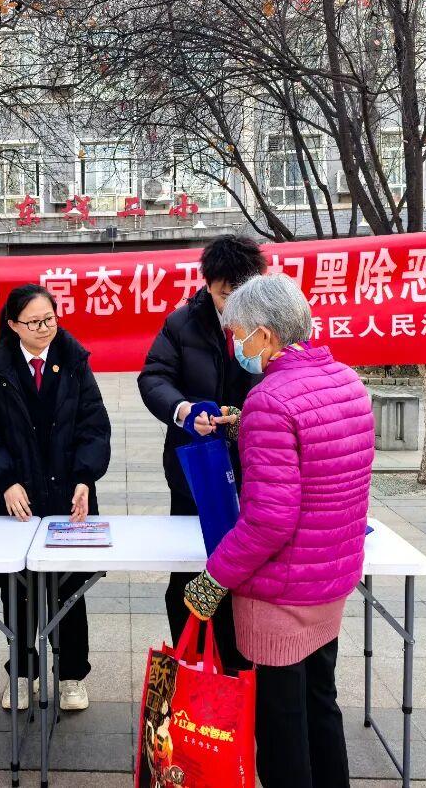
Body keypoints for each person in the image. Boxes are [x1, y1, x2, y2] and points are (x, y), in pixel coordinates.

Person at [183, 274, 375, 788]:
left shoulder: (270, 399)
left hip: (280, 593)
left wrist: (213, 579)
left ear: (264, 335)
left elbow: (269, 520)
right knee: (321, 702)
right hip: (329, 581)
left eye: (238, 334)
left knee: (280, 724)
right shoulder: (346, 381)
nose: (236, 346)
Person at [0, 284, 111, 711]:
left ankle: (71, 676)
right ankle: (22, 672)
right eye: (33, 322)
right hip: (18, 503)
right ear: (13, 325)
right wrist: (5, 481)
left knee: (70, 592)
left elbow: (94, 426)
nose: (44, 327)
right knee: (19, 592)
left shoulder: (75, 363)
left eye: (49, 319)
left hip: (69, 498)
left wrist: (85, 479)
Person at [137, 234, 266, 671]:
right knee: (189, 569)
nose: (233, 302)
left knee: (242, 569)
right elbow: (154, 378)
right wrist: (183, 410)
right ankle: (190, 664)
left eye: (242, 291)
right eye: (224, 292)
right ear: (207, 283)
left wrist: (249, 417)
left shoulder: (268, 324)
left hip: (253, 469)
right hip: (194, 471)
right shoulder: (182, 324)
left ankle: (238, 670)